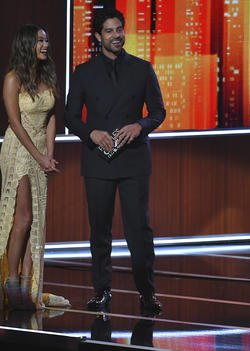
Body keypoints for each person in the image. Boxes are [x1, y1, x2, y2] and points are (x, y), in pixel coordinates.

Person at [64, 8, 165, 316]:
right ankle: (102, 291)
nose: (116, 35)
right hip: (98, 162)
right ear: (98, 37)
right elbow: (70, 117)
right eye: (109, 31)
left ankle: (147, 293)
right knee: (100, 230)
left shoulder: (143, 68)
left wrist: (140, 126)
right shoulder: (83, 72)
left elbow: (158, 112)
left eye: (119, 29)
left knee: (139, 230)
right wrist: (90, 132)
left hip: (134, 160)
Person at [0, 24, 70, 310]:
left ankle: (29, 286)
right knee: (24, 217)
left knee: (37, 222)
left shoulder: (48, 76)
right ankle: (12, 281)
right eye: (40, 40)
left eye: (47, 39)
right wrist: (38, 157)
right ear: (27, 45)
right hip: (19, 149)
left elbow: (52, 115)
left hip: (41, 148)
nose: (45, 45)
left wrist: (49, 154)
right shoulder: (13, 79)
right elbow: (15, 123)